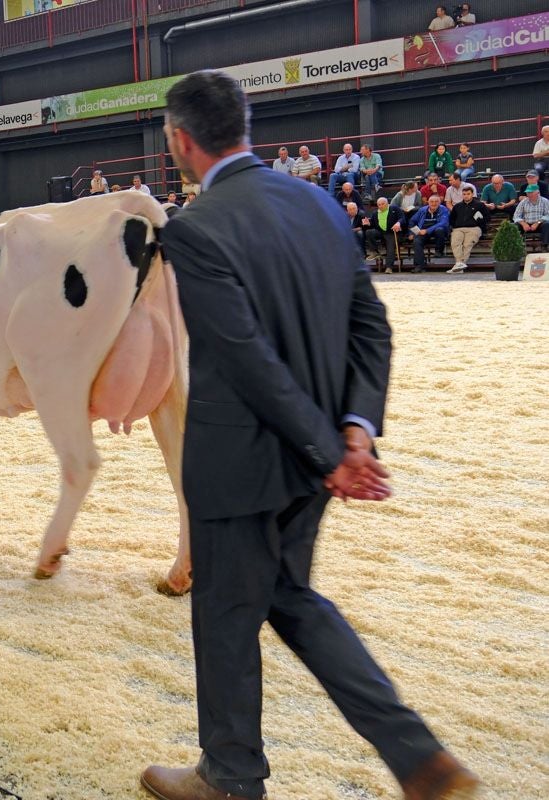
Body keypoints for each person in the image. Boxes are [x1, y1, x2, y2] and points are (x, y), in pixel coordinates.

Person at [142, 69, 477, 800]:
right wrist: (353, 432)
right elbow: (370, 326)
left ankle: (230, 778)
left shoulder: (193, 230)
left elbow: (245, 360)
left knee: (228, 620)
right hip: (315, 462)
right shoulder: (320, 205)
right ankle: (416, 756)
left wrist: (335, 457)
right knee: (289, 597)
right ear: (244, 126)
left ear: (179, 140)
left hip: (244, 464)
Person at [446, 186, 487, 273]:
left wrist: (479, 220)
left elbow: (487, 218)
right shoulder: (457, 206)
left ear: (472, 194)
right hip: (458, 228)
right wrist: (455, 226)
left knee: (467, 244)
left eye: (468, 194)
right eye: (464, 194)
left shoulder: (480, 205)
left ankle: (459, 265)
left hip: (474, 228)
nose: (466, 196)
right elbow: (451, 219)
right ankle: (460, 265)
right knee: (455, 243)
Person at [408, 192, 451, 273]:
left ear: (440, 202)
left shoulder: (443, 209)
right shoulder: (422, 210)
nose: (434, 203)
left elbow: (443, 223)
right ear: (428, 202)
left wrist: (427, 230)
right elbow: (412, 221)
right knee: (416, 241)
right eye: (431, 201)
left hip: (437, 232)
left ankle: (439, 251)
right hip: (423, 232)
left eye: (436, 201)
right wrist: (412, 233)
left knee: (440, 229)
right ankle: (420, 265)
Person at [363, 196, 404, 273]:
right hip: (381, 232)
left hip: (392, 232)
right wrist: (368, 223)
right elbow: (373, 224)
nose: (381, 206)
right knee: (369, 232)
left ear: (387, 203)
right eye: (379, 204)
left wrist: (398, 223)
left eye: (383, 204)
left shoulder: (394, 209)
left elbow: (402, 218)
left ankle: (389, 267)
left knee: (390, 247)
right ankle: (375, 252)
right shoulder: (375, 213)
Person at [512, 184, 548, 249]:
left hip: (540, 223)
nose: (529, 194)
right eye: (528, 192)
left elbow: (547, 215)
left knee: (547, 224)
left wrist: (537, 223)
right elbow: (516, 216)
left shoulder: (545, 201)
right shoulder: (523, 202)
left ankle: (544, 246)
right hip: (526, 224)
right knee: (515, 225)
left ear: (538, 192)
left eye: (531, 192)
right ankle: (518, 246)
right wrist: (523, 224)